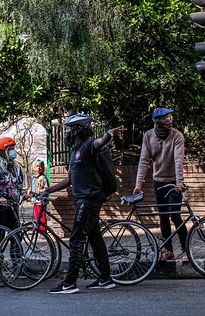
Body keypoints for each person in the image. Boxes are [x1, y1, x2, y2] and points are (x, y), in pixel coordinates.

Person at [42, 114, 124, 294]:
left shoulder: (88, 145)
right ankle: (105, 278)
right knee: (95, 238)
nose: (66, 133)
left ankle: (69, 283)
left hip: (89, 199)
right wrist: (49, 190)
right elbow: (69, 179)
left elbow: (99, 142)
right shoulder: (74, 153)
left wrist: (109, 134)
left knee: (76, 237)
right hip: (84, 199)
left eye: (69, 129)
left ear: (77, 130)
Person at [133, 107, 187, 261]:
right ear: (158, 121)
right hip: (158, 182)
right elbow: (144, 160)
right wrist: (138, 184)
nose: (170, 120)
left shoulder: (177, 136)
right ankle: (168, 250)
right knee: (163, 218)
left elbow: (178, 160)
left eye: (171, 117)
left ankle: (186, 249)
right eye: (166, 118)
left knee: (175, 216)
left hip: (173, 182)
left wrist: (179, 181)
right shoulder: (148, 136)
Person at [0, 137, 24, 232]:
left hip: (13, 206)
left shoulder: (13, 166)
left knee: (16, 237)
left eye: (13, 148)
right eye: (11, 149)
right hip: (0, 208)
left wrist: (23, 193)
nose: (13, 151)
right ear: (3, 152)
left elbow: (16, 184)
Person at [30, 159, 49, 230]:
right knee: (37, 216)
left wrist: (37, 192)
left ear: (43, 168)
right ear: (34, 168)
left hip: (41, 201)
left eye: (40, 166)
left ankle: (43, 230)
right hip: (35, 200)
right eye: (37, 166)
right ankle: (39, 229)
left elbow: (46, 189)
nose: (38, 168)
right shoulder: (34, 177)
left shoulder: (43, 178)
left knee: (42, 216)